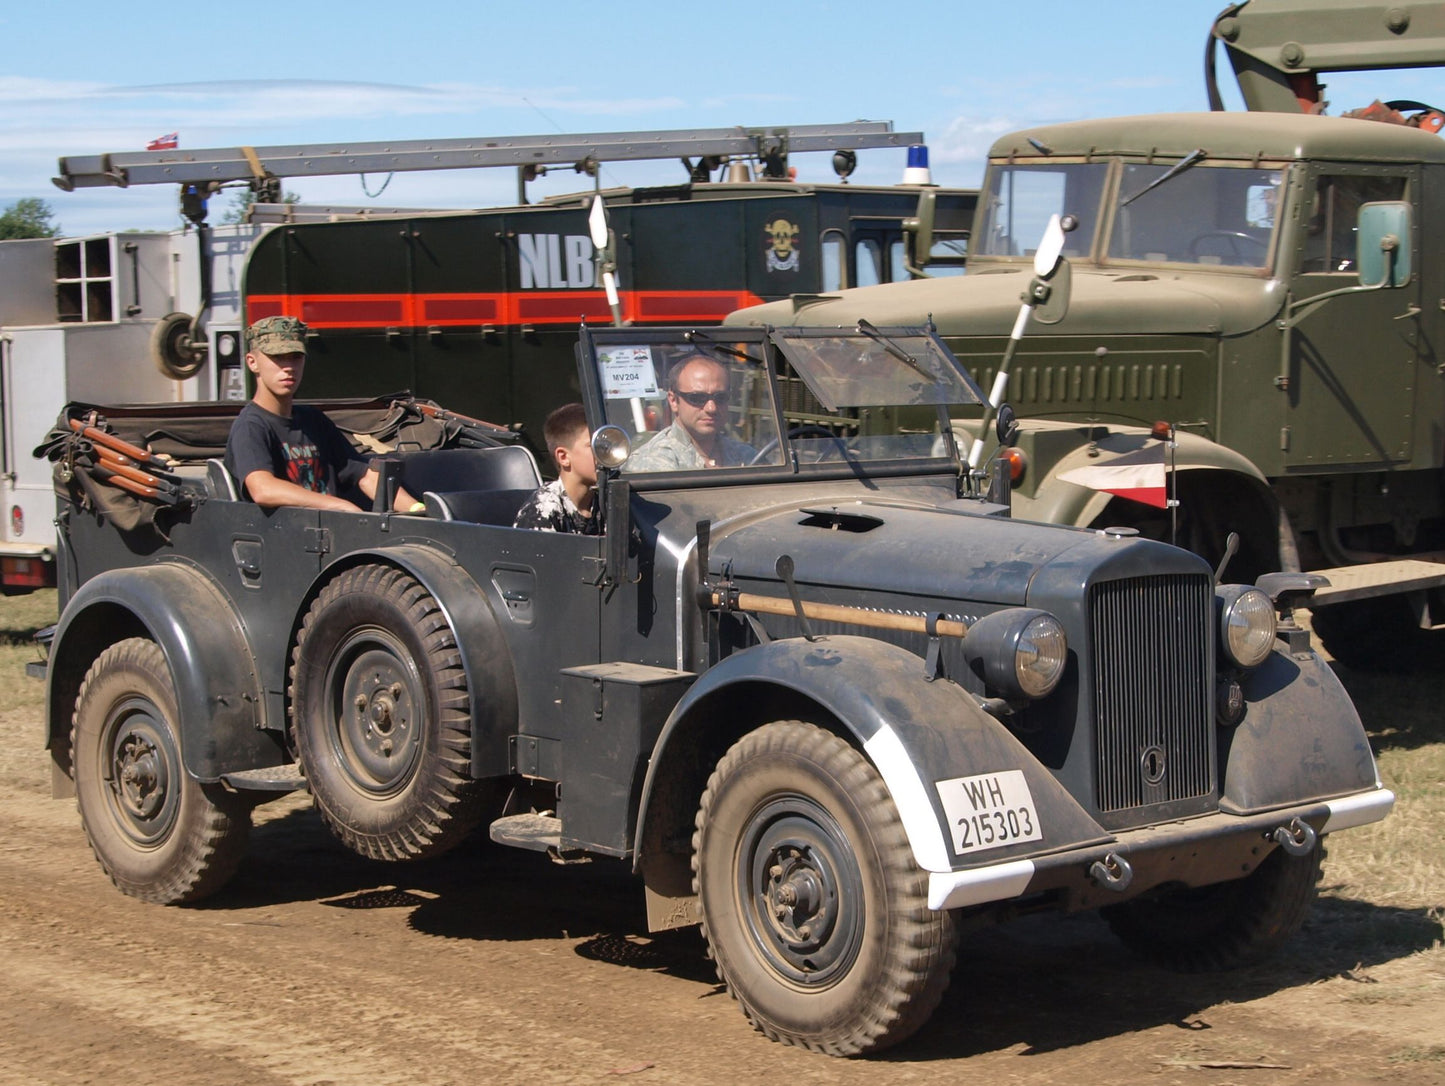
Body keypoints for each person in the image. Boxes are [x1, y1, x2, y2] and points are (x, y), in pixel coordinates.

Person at [224, 316, 421, 512]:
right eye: (277, 357)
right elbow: (263, 489)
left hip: (328, 533)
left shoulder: (313, 420)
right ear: (252, 362)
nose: (288, 368)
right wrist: (338, 505)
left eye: (296, 357)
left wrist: (418, 511)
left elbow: (364, 475)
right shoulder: (251, 426)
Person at [625, 354, 757, 471]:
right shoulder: (654, 463)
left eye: (720, 398)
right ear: (673, 401)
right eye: (697, 398)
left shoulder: (746, 457)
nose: (711, 408)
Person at [513, 403, 602, 534]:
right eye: (593, 445)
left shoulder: (608, 502)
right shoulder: (543, 509)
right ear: (564, 457)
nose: (605, 453)